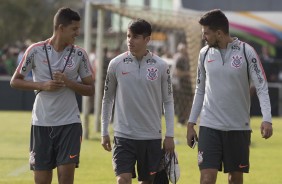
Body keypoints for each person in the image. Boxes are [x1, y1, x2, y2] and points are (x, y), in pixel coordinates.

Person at [186, 9, 273, 184]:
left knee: (235, 179)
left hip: (238, 127)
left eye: (206, 33)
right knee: (207, 178)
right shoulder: (204, 54)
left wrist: (267, 119)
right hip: (210, 126)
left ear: (219, 33)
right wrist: (191, 122)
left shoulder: (246, 52)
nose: (204, 37)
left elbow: (262, 86)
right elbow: (200, 89)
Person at [10, 7, 94, 184]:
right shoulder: (35, 50)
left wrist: (69, 82)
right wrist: (42, 85)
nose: (78, 33)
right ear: (61, 28)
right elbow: (15, 81)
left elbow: (91, 89)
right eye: (74, 29)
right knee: (41, 180)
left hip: (69, 124)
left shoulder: (79, 53)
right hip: (41, 123)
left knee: (66, 179)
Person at [101, 18, 175, 184]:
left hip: (151, 136)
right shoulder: (116, 64)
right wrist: (104, 130)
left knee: (147, 181)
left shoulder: (161, 66)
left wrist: (169, 134)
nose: (129, 40)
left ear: (147, 39)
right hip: (123, 135)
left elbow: (168, 102)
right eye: (128, 36)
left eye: (135, 37)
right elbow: (107, 99)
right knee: (122, 180)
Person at [172, 43, 192, 126]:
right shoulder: (180, 58)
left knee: (184, 104)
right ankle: (181, 121)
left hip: (182, 85)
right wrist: (188, 74)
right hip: (180, 85)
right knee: (181, 104)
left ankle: (183, 120)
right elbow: (177, 72)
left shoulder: (182, 57)